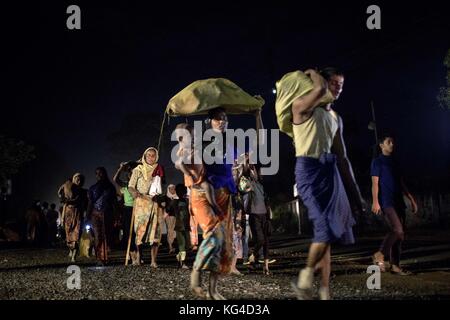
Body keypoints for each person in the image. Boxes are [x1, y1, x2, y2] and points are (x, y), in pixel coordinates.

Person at [282, 67, 364, 300]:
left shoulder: (335, 118)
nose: (338, 88)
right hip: (308, 170)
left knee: (329, 231)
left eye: (341, 85)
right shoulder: (301, 108)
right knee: (323, 226)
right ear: (322, 83)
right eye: (334, 83)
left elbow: (343, 158)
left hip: (330, 172)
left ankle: (325, 291)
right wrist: (310, 72)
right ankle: (305, 277)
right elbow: (317, 89)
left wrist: (356, 196)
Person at [174, 121, 231, 300]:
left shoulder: (198, 148)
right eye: (187, 134)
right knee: (213, 234)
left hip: (212, 192)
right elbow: (178, 163)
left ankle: (213, 290)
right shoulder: (183, 150)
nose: (192, 137)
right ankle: (196, 274)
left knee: (223, 240)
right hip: (198, 196)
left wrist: (209, 126)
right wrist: (188, 173)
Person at [371, 135, 418, 275]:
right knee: (397, 230)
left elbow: (401, 183)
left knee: (400, 235)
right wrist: (375, 201)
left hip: (399, 201)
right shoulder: (377, 162)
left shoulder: (395, 162)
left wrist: (411, 199)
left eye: (392, 142)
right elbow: (375, 183)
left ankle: (395, 266)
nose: (392, 144)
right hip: (387, 202)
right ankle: (380, 254)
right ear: (381, 145)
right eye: (388, 142)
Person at [128, 147, 165, 267]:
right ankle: (138, 257)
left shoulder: (159, 169)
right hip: (141, 202)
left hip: (154, 202)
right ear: (144, 156)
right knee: (140, 230)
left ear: (156, 157)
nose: (150, 157)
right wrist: (134, 193)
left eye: (153, 155)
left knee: (155, 230)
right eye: (148, 155)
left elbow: (161, 185)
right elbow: (131, 186)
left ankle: (153, 260)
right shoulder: (138, 169)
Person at [86, 167, 116, 265]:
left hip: (107, 213)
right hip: (95, 214)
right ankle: (99, 258)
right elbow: (90, 202)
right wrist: (87, 216)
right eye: (97, 173)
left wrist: (115, 215)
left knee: (106, 235)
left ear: (104, 174)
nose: (99, 175)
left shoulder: (111, 187)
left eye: (101, 173)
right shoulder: (93, 188)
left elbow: (114, 202)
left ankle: (104, 257)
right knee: (98, 235)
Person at [58, 173, 88, 261]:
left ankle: (74, 255)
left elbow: (85, 204)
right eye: (77, 179)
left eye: (80, 180)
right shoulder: (68, 187)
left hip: (78, 214)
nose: (79, 181)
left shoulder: (83, 191)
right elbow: (60, 194)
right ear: (74, 179)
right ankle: (71, 249)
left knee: (77, 233)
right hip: (68, 214)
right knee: (68, 233)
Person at [112, 161, 138, 262]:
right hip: (128, 209)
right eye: (130, 174)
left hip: (138, 208)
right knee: (128, 232)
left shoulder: (139, 185)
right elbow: (115, 179)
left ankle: (138, 254)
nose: (131, 176)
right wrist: (120, 168)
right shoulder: (125, 184)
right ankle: (132, 254)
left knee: (138, 232)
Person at [164, 184, 178, 254]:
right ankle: (170, 246)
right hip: (169, 215)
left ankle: (173, 246)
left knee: (174, 231)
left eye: (174, 188)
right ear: (168, 189)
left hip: (176, 216)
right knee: (170, 230)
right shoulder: (166, 197)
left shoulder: (177, 197)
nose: (173, 190)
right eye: (171, 188)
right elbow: (164, 206)